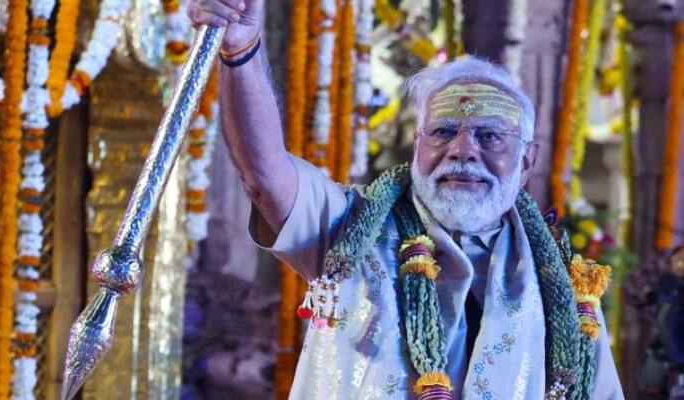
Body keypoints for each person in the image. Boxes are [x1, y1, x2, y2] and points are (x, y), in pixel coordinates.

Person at [187, 0, 626, 398]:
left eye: (489, 136)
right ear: (417, 145)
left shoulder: (566, 284)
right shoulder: (353, 229)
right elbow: (264, 174)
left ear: (527, 159)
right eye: (443, 132)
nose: (463, 150)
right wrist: (241, 52)